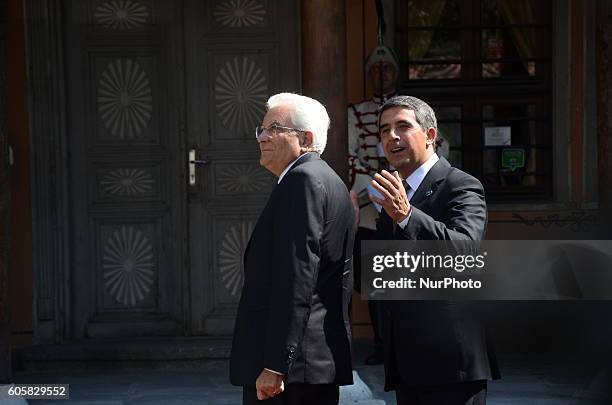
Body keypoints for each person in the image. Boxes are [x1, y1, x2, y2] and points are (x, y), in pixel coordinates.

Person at [369, 95, 499, 405]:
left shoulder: (461, 185)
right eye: (384, 130)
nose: (392, 137)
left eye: (403, 126)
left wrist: (407, 216)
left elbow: (464, 251)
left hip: (451, 364)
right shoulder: (394, 192)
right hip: (407, 362)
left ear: (430, 135)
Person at [230, 93, 355, 405]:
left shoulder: (303, 180)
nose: (262, 137)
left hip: (292, 372)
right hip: (308, 363)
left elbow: (297, 276)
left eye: (274, 128)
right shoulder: (325, 178)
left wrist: (276, 364)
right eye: (260, 129)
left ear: (306, 138)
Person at [348, 45, 399, 365]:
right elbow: (350, 159)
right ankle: (382, 344)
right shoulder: (356, 113)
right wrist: (380, 186)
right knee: (375, 285)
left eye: (387, 69)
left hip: (406, 209)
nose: (381, 74)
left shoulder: (413, 111)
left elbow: (437, 150)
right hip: (368, 214)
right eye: (375, 70)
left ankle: (403, 343)